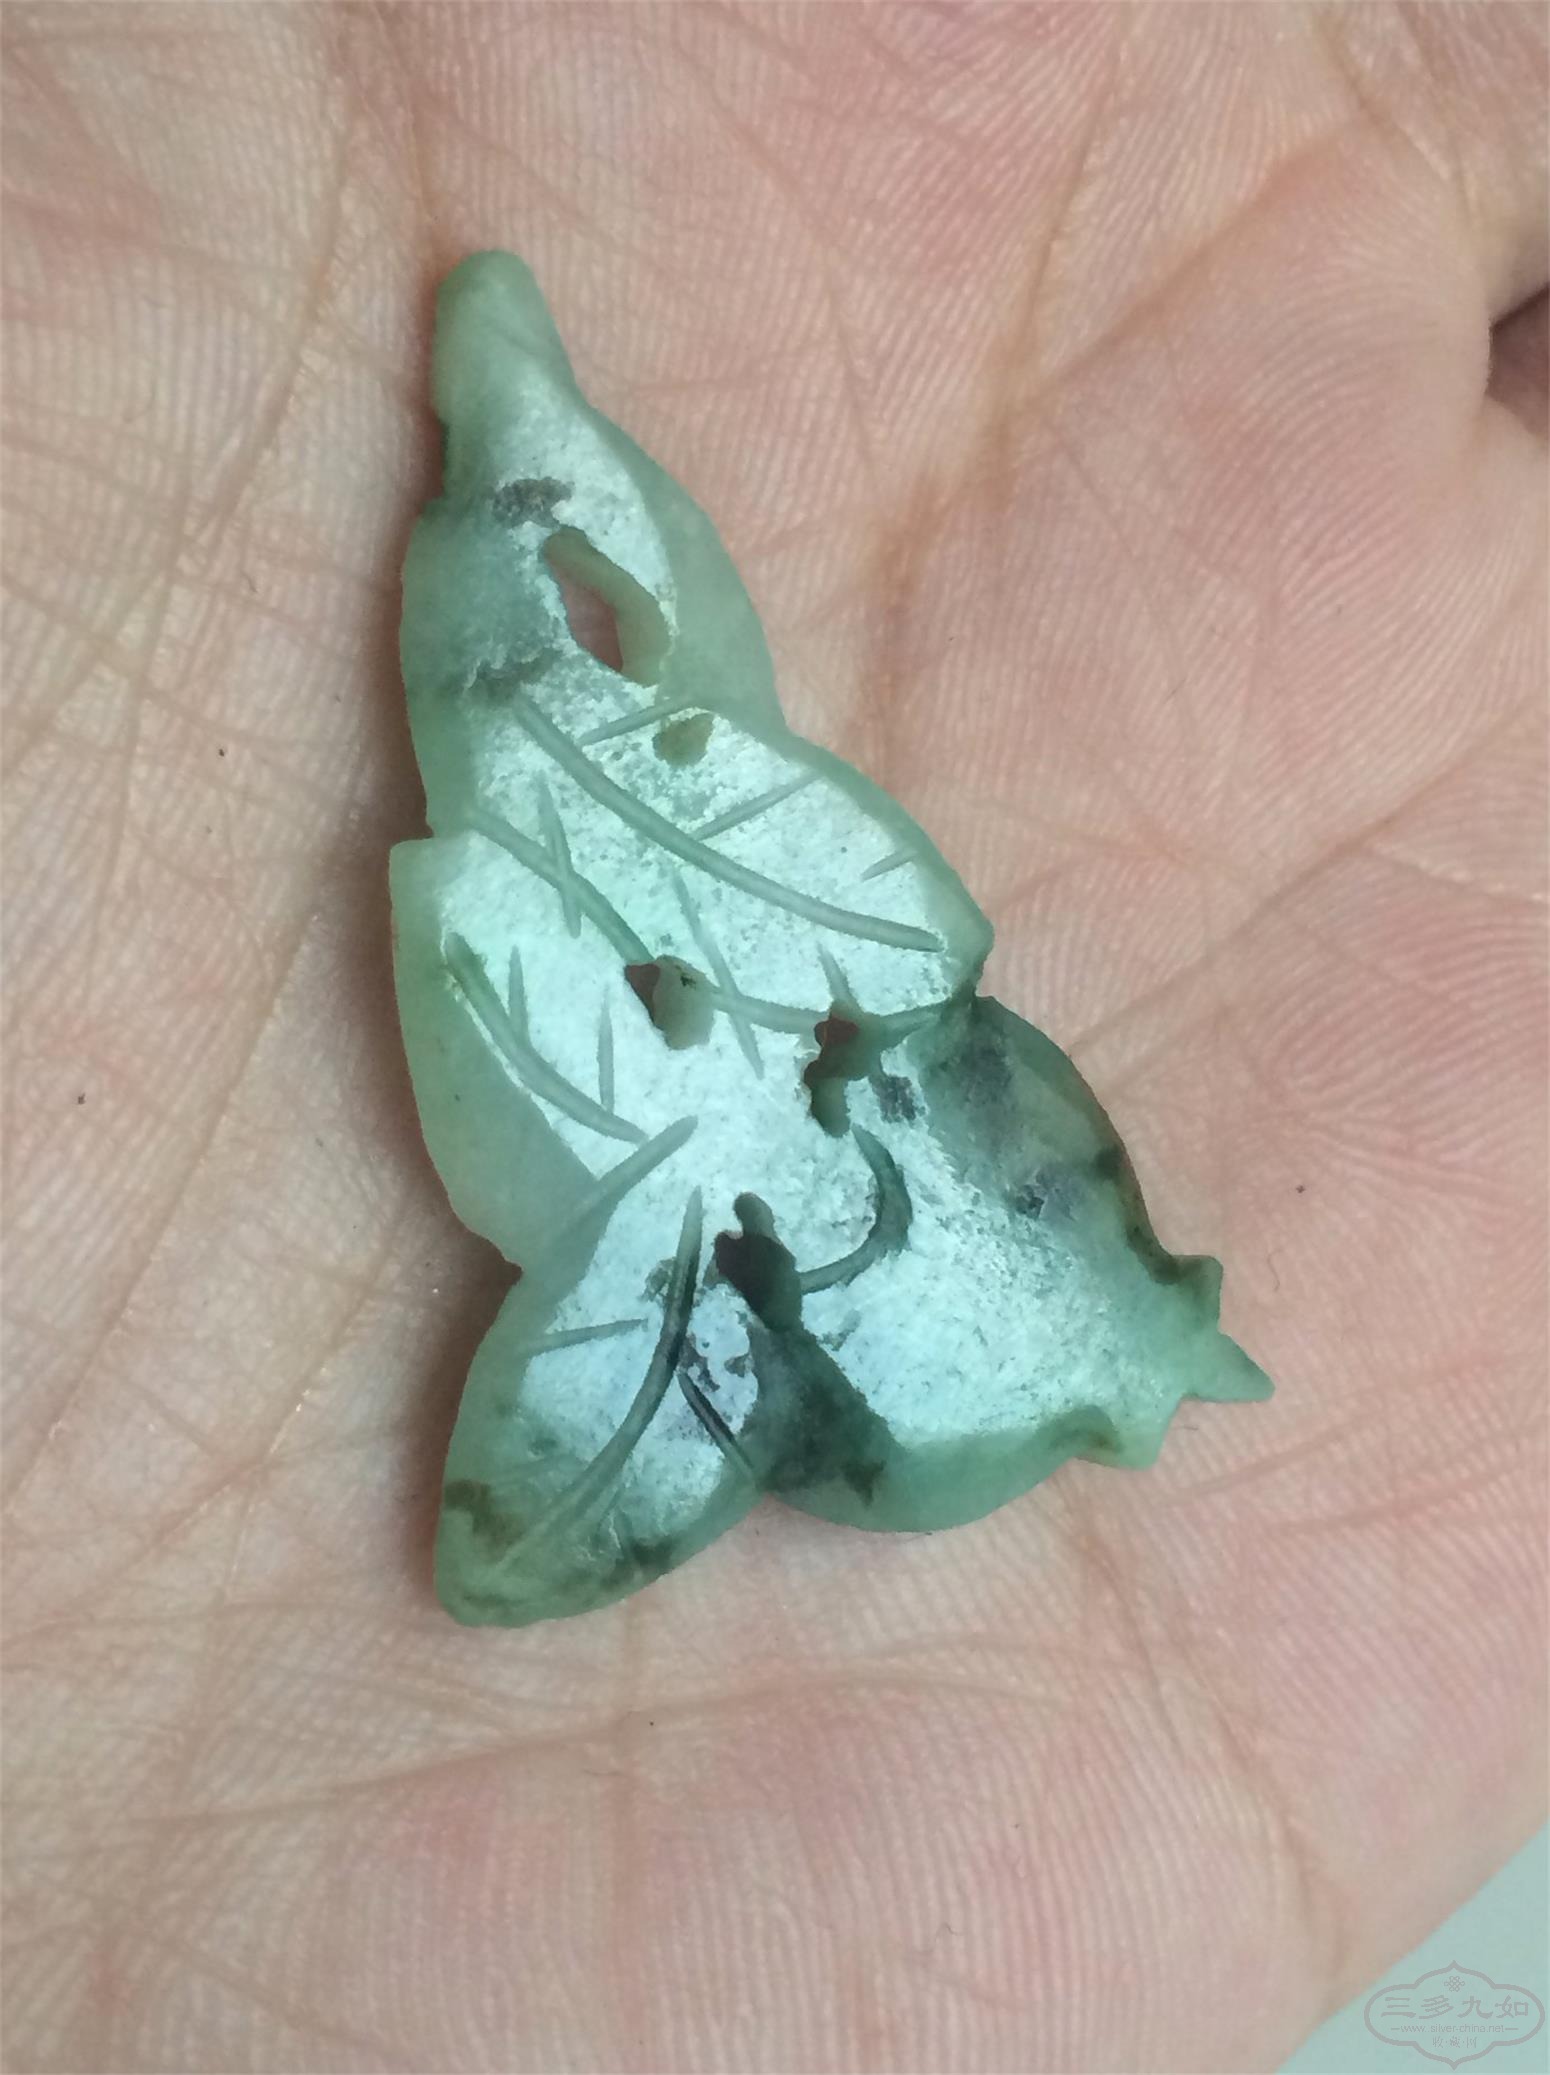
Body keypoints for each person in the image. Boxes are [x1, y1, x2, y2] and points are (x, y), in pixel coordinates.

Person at [3, 6, 1544, 2069]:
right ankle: (517, 441)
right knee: (569, 663)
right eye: (1042, 1210)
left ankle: (517, 448)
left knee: (563, 686)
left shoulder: (760, 1165)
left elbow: (561, 1488)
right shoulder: (843, 983)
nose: (956, 1163)